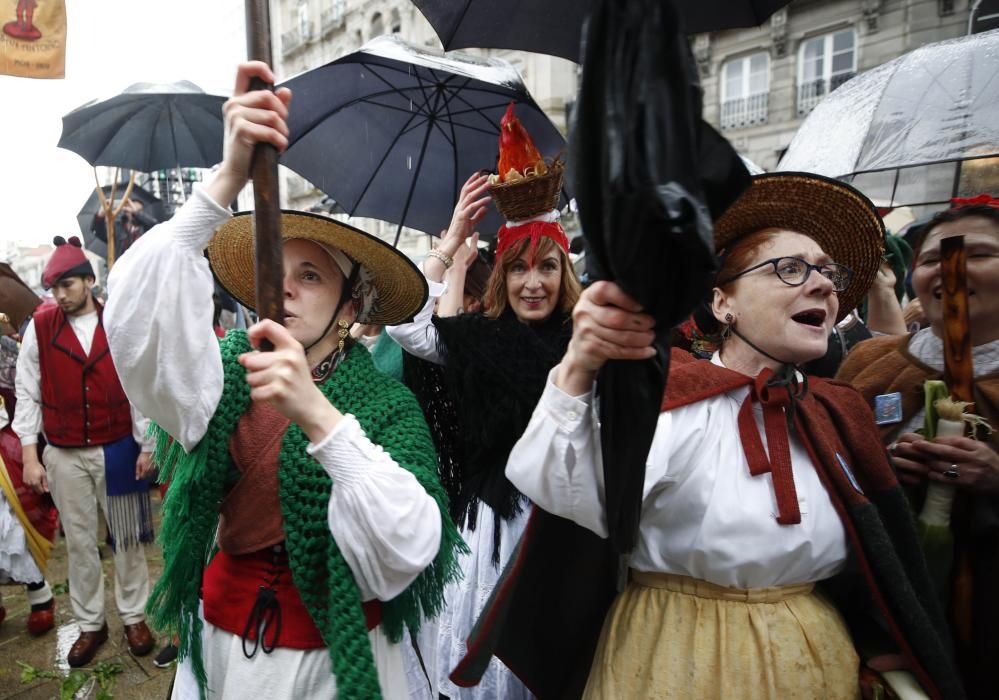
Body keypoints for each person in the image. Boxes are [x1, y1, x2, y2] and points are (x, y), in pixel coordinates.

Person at [492, 173, 962, 699]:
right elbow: (567, 493)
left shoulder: (839, 410)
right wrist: (579, 365)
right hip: (673, 656)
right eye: (789, 269)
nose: (824, 285)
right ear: (722, 304)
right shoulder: (667, 400)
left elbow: (879, 569)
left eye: (828, 272)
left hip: (815, 659)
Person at [103, 61, 462, 699]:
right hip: (223, 653)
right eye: (280, 269)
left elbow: (413, 545)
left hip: (331, 665)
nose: (287, 288)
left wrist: (317, 417)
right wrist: (227, 178)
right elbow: (134, 324)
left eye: (313, 276)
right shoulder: (221, 373)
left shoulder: (386, 403)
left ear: (352, 308)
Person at [388, 164, 582, 699]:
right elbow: (405, 324)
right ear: (502, 276)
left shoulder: (586, 341)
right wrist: (450, 242)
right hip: (495, 532)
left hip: (567, 533)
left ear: (564, 272)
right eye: (518, 269)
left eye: (546, 267)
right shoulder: (478, 336)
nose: (533, 282)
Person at [837, 195, 999, 700]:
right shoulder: (871, 361)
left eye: (977, 253)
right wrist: (875, 471)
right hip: (883, 611)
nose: (947, 268)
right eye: (932, 258)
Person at [14, 235, 156, 668]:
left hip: (117, 446)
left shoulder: (120, 321)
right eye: (54, 287)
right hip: (64, 452)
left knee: (128, 540)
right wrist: (30, 453)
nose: (60, 295)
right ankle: (91, 623)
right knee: (78, 544)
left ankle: (135, 615)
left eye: (68, 285)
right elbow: (27, 391)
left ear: (89, 280)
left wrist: (147, 444)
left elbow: (139, 386)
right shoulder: (40, 328)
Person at [0, 321, 57, 636]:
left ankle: (40, 597)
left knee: (12, 525)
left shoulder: (7, 348)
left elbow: (23, 396)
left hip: (5, 447)